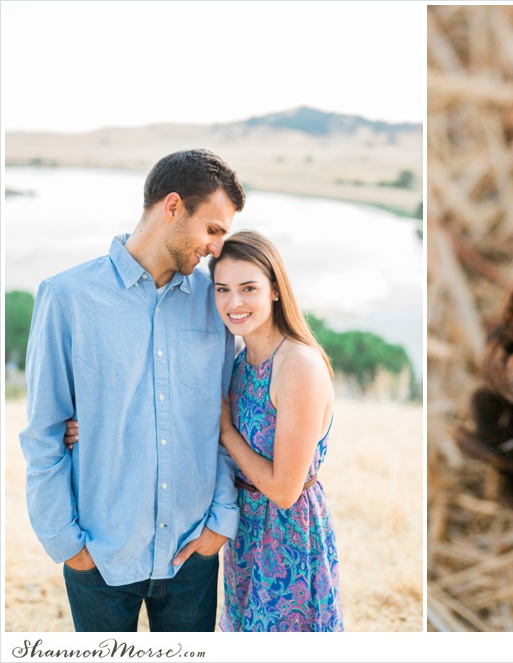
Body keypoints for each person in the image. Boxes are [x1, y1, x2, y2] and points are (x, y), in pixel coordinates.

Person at [20, 149, 246, 632]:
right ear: (172, 207)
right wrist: (67, 543)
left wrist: (219, 523)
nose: (217, 248)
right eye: (212, 229)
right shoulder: (67, 298)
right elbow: (44, 432)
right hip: (99, 556)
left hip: (192, 557)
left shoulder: (218, 301)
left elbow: (227, 418)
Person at [209, 230, 344, 632]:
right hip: (245, 532)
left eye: (248, 288)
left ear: (274, 290)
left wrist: (227, 432)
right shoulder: (236, 360)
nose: (234, 303)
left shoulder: (298, 365)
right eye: (222, 289)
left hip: (288, 537)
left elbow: (286, 490)